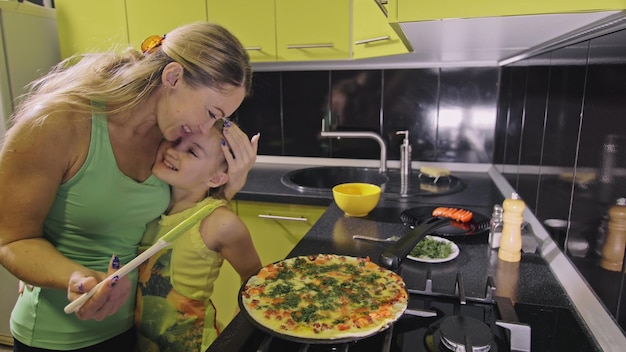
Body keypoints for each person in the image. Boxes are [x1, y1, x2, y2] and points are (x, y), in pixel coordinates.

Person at [0, 22, 258, 352]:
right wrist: (77, 279)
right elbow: (13, 239)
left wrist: (226, 185)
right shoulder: (58, 122)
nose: (205, 128)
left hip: (132, 332)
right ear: (173, 77)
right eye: (211, 113)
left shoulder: (170, 140)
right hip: (58, 338)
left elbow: (172, 222)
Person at [135, 120, 262, 352]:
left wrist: (234, 341)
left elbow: (255, 281)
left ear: (216, 179)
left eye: (192, 151)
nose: (173, 151)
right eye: (175, 141)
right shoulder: (146, 210)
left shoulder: (219, 224)